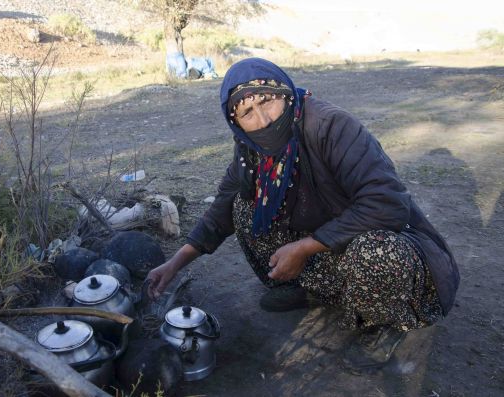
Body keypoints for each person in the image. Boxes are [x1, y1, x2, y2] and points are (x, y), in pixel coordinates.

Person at [146, 58, 459, 372]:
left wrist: (304, 247)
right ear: (235, 122)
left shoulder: (330, 126)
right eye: (246, 113)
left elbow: (388, 204)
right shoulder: (251, 148)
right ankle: (306, 289)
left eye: (266, 101)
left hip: (391, 245)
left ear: (284, 92)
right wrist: (174, 264)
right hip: (334, 242)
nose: (263, 120)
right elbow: (221, 210)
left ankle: (384, 322)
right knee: (244, 206)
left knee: (375, 252)